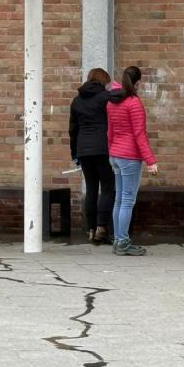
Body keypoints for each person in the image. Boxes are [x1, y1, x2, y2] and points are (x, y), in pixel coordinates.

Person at [107, 66, 158, 256]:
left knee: (119, 199)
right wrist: (150, 161)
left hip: (115, 155)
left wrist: (111, 152)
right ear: (138, 82)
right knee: (127, 201)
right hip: (129, 157)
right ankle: (123, 242)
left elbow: (110, 132)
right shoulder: (134, 103)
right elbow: (139, 135)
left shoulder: (112, 102)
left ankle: (118, 240)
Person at [69, 68, 117, 244]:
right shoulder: (106, 98)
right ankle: (101, 228)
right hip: (103, 148)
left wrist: (74, 154)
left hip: (83, 149)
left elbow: (73, 130)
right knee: (107, 188)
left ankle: (90, 229)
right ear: (103, 81)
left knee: (90, 189)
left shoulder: (76, 101)